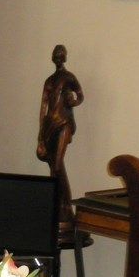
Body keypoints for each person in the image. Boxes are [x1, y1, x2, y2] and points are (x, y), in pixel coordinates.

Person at [37, 44, 84, 232]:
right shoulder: (49, 81)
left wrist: (75, 100)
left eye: (60, 55)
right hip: (50, 124)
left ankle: (64, 205)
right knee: (54, 165)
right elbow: (43, 109)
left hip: (64, 122)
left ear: (64, 57)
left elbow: (80, 95)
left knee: (57, 164)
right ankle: (61, 205)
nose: (58, 58)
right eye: (55, 55)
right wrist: (40, 137)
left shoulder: (69, 77)